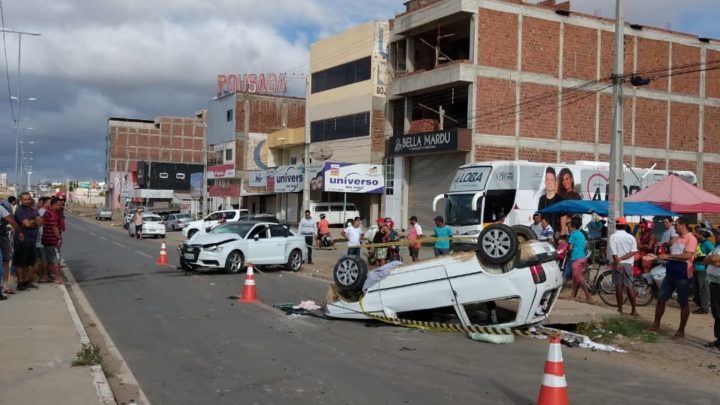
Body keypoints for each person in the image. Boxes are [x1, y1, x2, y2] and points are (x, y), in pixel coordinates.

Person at [648, 217, 698, 338]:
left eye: (676, 225)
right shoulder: (675, 238)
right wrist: (658, 255)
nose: (674, 227)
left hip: (683, 274)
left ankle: (681, 330)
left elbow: (687, 256)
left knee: (683, 303)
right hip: (670, 273)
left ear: (683, 225)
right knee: (661, 299)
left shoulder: (691, 239)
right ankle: (656, 324)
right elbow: (666, 249)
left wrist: (669, 256)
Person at [608, 217, 638, 316]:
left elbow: (614, 252)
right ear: (625, 226)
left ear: (616, 225)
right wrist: (623, 259)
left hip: (617, 263)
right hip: (628, 264)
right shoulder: (631, 237)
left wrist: (618, 262)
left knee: (618, 287)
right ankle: (634, 310)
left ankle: (620, 308)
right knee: (629, 286)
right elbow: (633, 252)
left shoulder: (613, 236)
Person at [13, 192, 42, 291]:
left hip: (31, 240)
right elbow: (27, 224)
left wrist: (32, 222)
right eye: (25, 199)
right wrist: (34, 222)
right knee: (20, 263)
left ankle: (26, 282)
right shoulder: (20, 210)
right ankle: (20, 283)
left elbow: (41, 221)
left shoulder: (33, 210)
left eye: (29, 199)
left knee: (28, 263)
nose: (27, 201)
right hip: (22, 240)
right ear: (21, 200)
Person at [568, 218, 593, 303]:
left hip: (576, 258)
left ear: (573, 226)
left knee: (579, 279)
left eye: (569, 225)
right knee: (576, 279)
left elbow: (570, 248)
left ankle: (588, 296)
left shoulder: (573, 234)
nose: (568, 227)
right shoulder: (581, 234)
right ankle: (572, 296)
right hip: (582, 257)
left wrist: (568, 252)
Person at [42, 197, 65, 284]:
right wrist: (59, 238)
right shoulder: (52, 213)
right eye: (59, 205)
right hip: (52, 240)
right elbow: (54, 227)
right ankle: (57, 277)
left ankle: (45, 276)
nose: (60, 206)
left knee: (46, 259)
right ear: (54, 204)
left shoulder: (47, 212)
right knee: (56, 259)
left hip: (45, 239)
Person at [0, 200, 20, 298]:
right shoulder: (3, 207)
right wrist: (19, 232)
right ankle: (5, 285)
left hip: (3, 236)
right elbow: (11, 220)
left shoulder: (3, 206)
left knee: (5, 260)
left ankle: (4, 285)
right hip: (2, 236)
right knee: (5, 261)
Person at [537, 166, 563, 237]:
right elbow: (540, 216)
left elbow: (563, 219)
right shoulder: (542, 199)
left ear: (555, 181)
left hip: (557, 234)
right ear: (545, 182)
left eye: (551, 180)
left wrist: (561, 234)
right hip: (546, 233)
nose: (549, 182)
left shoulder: (560, 200)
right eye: (547, 180)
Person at [703, 243, 720, 349]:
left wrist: (713, 260)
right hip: (715, 282)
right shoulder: (717, 247)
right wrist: (713, 260)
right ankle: (719, 339)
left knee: (718, 311)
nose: (717, 235)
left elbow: (714, 259)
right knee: (716, 311)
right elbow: (706, 259)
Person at [693, 228, 714, 314]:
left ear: (702, 234)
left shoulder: (707, 243)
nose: (695, 235)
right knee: (697, 289)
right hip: (696, 269)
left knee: (703, 289)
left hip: (703, 270)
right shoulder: (699, 243)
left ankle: (704, 308)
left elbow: (714, 254)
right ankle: (700, 306)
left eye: (697, 233)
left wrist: (706, 261)